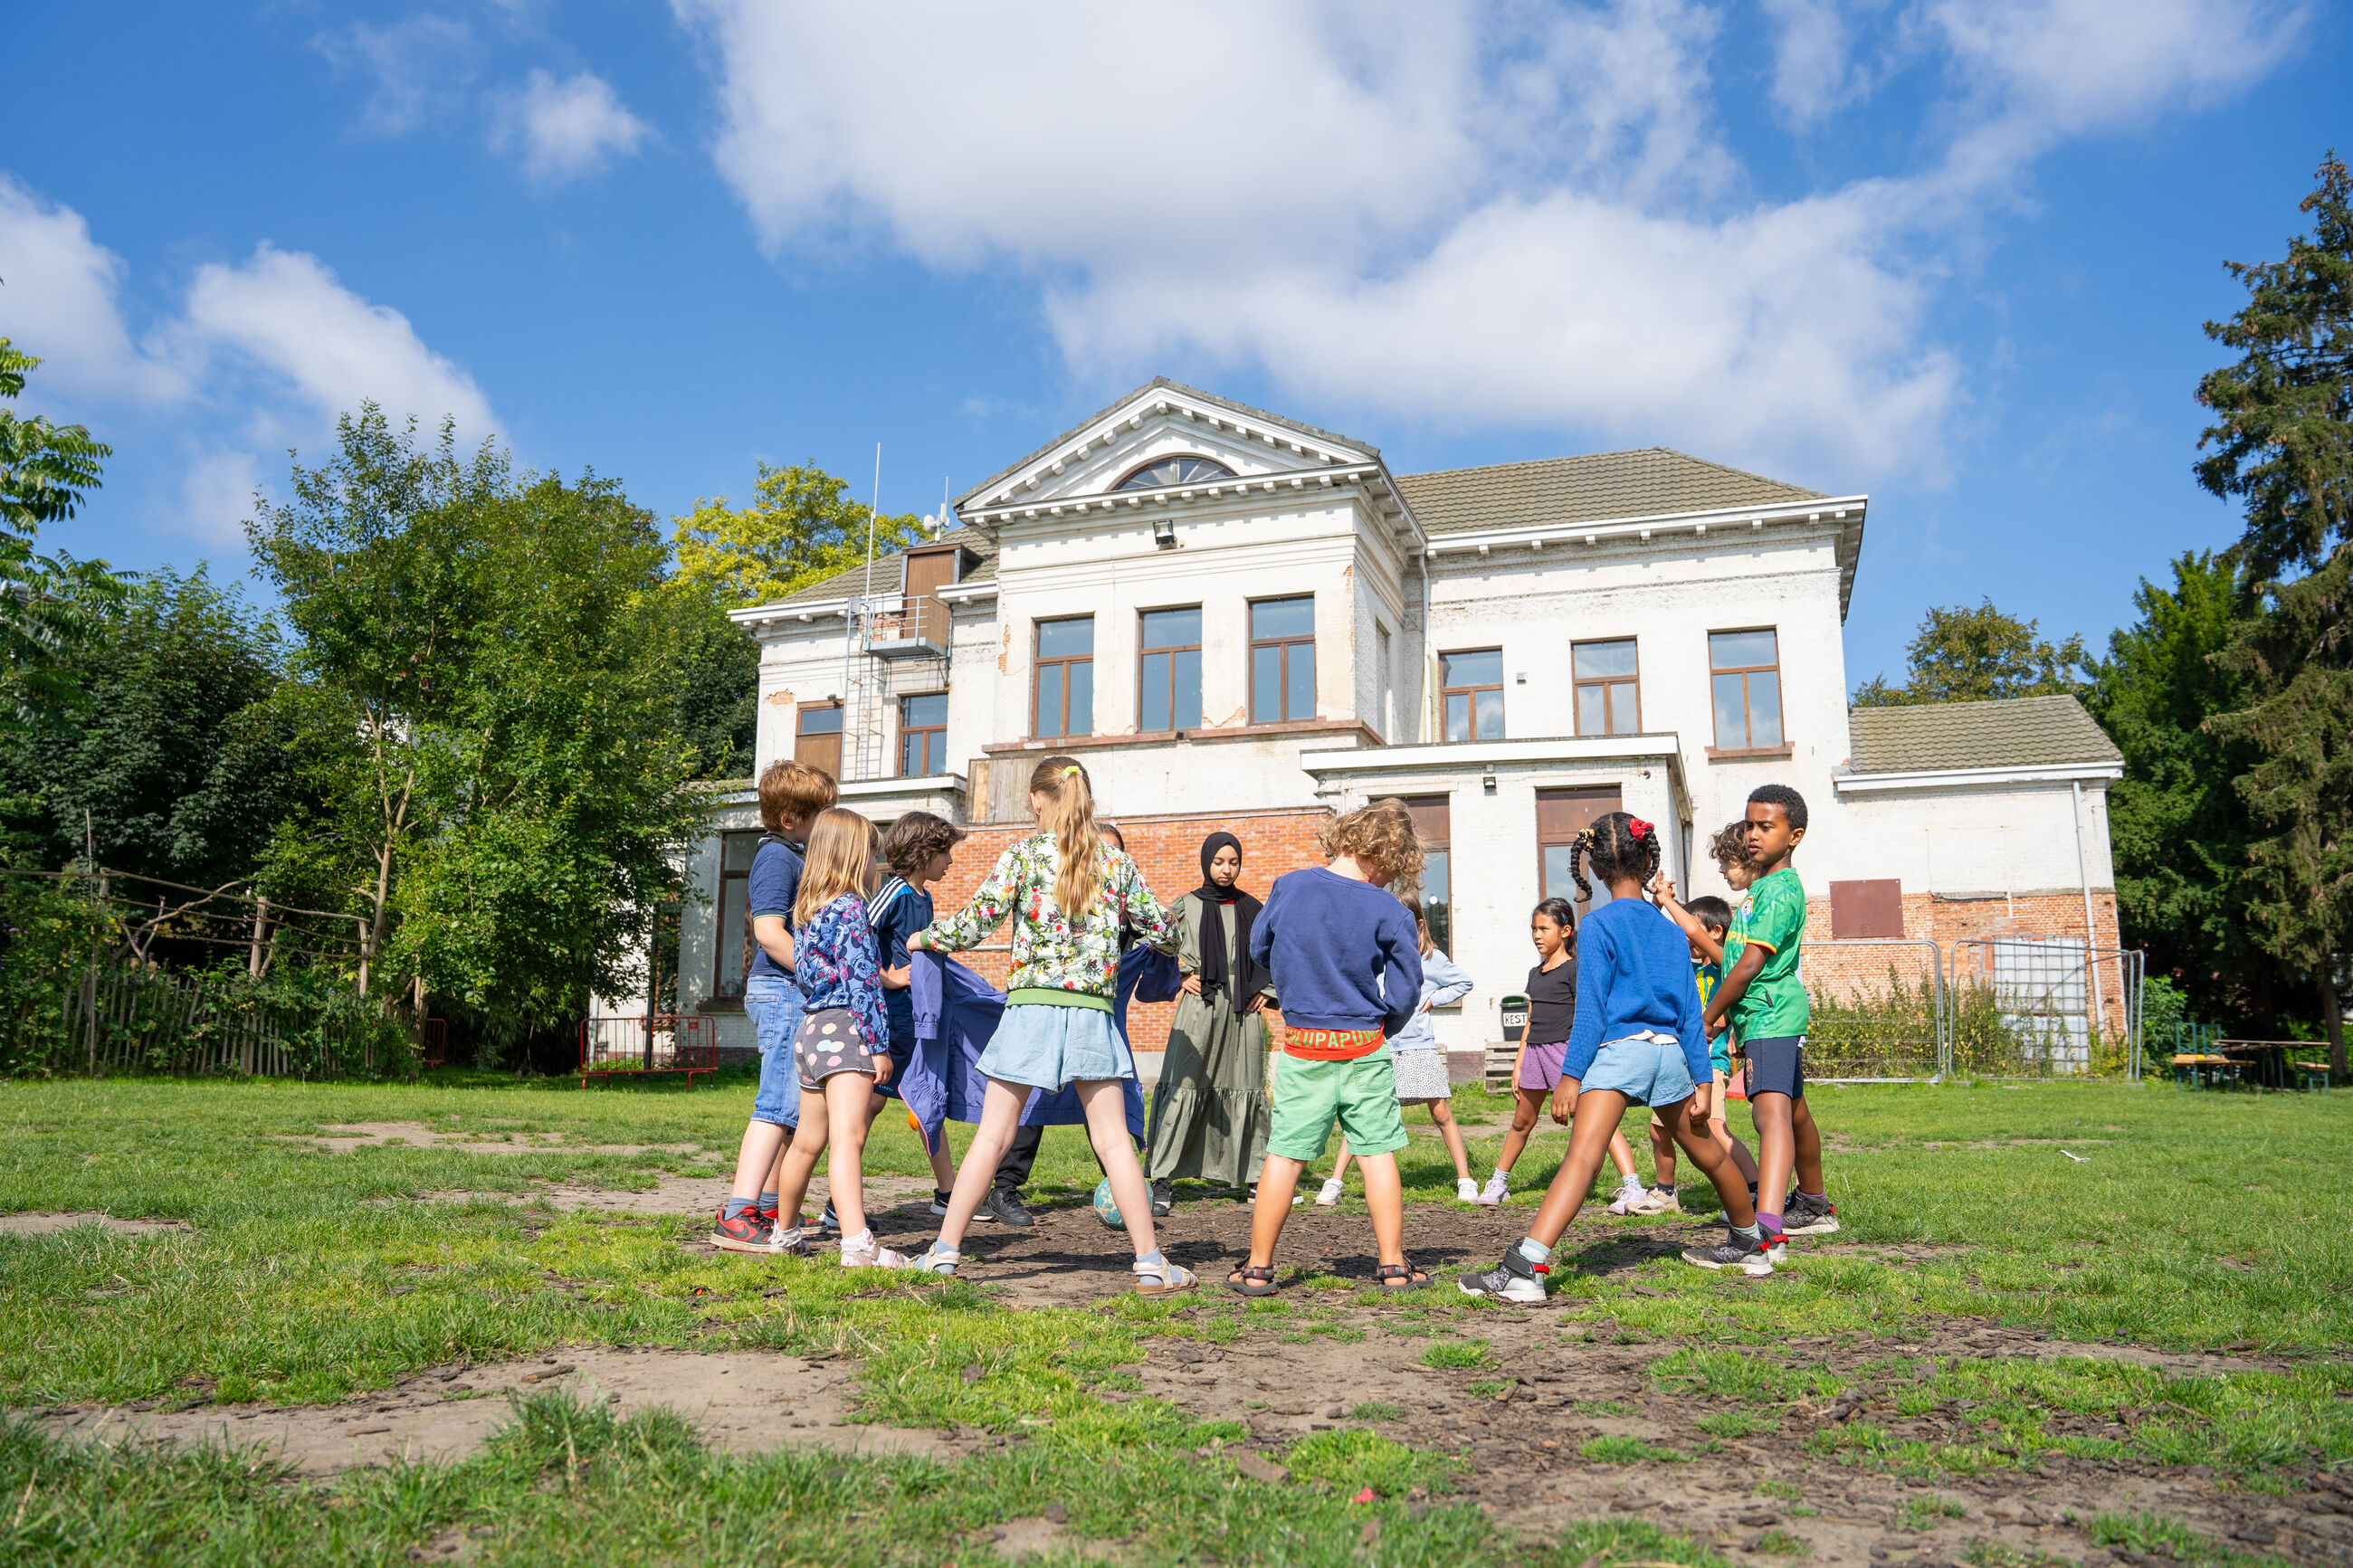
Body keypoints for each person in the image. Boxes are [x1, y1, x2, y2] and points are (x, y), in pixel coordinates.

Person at [904, 758, 1195, 1293]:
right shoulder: (1116, 866)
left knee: (993, 1136)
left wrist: (924, 939)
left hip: (1029, 1014)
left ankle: (943, 1253)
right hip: (1092, 1016)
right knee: (1114, 1144)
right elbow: (1167, 935)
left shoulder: (1022, 856)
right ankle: (1152, 1261)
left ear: (1039, 799)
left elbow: (976, 922)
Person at [1460, 813, 1771, 1301]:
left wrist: (1570, 1076)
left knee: (1583, 1156)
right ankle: (1752, 1242)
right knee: (1709, 1152)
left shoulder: (1598, 924)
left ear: (1596, 870)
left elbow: (1592, 1010)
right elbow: (1692, 1012)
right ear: (1650, 863)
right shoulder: (1673, 930)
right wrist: (1702, 1079)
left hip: (1620, 1051)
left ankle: (1526, 1268)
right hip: (1671, 1055)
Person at [1226, 797, 1430, 1295]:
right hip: (1364, 1045)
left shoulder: (1290, 886)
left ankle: (1256, 1267)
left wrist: (1298, 984)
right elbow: (1406, 990)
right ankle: (1393, 1266)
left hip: (1302, 1045)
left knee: (1286, 1155)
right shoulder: (1391, 911)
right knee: (1377, 1154)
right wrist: (1387, 1026)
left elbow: (1259, 950)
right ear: (1389, 857)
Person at [763, 807, 910, 1267]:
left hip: (812, 1029)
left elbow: (814, 971)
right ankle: (858, 1244)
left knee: (807, 1141)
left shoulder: (809, 911)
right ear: (852, 857)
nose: (875, 864)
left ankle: (784, 1234)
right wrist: (879, 1044)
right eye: (871, 854)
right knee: (849, 1140)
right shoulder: (850, 909)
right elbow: (862, 982)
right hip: (848, 1030)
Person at [1703, 784, 1837, 1260]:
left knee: (1770, 1114)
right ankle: (1815, 1203)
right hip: (1762, 1014)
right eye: (1750, 824)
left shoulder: (1778, 892)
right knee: (1795, 1111)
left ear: (1794, 835)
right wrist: (1727, 1017)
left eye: (1766, 826)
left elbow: (1747, 967)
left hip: (1771, 1015)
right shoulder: (1762, 889)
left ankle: (1766, 1232)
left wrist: (1710, 1015)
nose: (1752, 834)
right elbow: (1734, 959)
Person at [712, 760, 836, 1254]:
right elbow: (768, 932)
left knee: (793, 1105)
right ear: (790, 819)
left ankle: (767, 1203)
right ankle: (738, 1213)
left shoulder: (795, 853)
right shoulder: (777, 858)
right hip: (781, 990)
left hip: (792, 991)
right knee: (778, 1104)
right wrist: (818, 974)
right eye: (819, 815)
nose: (826, 823)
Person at [1474, 898, 1643, 1212]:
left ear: (1565, 931)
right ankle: (1499, 1183)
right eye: (1533, 929)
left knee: (1598, 1121)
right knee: (1521, 1122)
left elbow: (1587, 1013)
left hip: (1564, 1053)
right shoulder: (1535, 973)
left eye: (1544, 928)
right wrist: (1519, 1063)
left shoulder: (1575, 969)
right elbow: (1531, 1018)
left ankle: (1633, 1187)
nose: (1537, 935)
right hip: (1535, 1055)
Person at [1146, 832, 1277, 1215]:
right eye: (1219, 862)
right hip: (1200, 1008)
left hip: (1242, 1011)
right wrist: (1180, 976)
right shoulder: (1185, 905)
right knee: (1185, 1082)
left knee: (1246, 1082)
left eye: (1233, 862)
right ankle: (1163, 1179)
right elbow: (1156, 944)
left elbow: (1277, 951)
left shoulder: (1253, 908)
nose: (1226, 869)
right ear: (1206, 862)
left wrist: (1266, 990)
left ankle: (1255, 1176)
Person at [1319, 901, 1480, 1205]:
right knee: (1364, 1113)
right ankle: (1334, 1182)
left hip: (1419, 1047)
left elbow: (1464, 982)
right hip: (1382, 1046)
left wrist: (1433, 999)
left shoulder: (1432, 959)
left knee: (1441, 1112)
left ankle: (1466, 1180)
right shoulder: (1377, 958)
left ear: (1419, 925)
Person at [1630, 890, 1758, 1212]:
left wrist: (1667, 900)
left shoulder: (1724, 961)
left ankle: (1756, 1188)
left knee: (1714, 1128)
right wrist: (1656, 905)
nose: (1686, 938)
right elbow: (1658, 940)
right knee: (1659, 1130)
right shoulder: (1688, 968)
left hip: (1709, 1064)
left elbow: (1692, 931)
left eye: (1692, 929)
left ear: (1715, 932)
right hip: (1678, 1063)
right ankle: (1665, 1193)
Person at [872, 812, 967, 1213]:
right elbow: (855, 941)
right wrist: (889, 980)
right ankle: (835, 1205)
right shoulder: (892, 892)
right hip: (892, 1020)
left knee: (929, 1098)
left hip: (919, 1019)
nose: (950, 862)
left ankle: (948, 1194)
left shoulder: (924, 897)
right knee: (870, 1107)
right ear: (924, 853)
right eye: (945, 853)